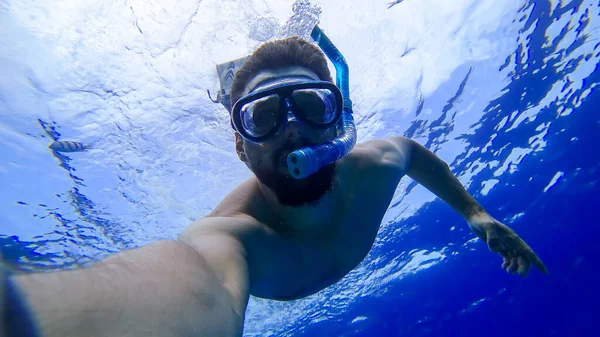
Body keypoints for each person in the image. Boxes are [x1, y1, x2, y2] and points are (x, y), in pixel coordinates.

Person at [5, 31, 547, 337]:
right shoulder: (229, 239)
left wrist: (474, 213)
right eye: (262, 116)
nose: (291, 129)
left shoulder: (375, 163)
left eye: (312, 106)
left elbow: (415, 156)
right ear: (241, 145)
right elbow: (195, 283)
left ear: (340, 125)